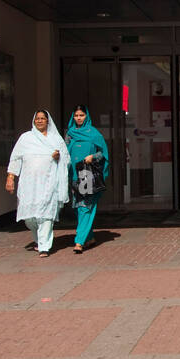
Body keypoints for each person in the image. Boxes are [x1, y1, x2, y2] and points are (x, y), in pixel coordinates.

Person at [5, 110, 70, 257]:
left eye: (43, 118)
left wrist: (58, 156)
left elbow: (67, 160)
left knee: (46, 215)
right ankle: (38, 240)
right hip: (29, 184)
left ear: (48, 121)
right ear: (34, 121)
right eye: (37, 119)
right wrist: (10, 177)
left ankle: (44, 247)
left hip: (49, 183)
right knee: (30, 218)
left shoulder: (56, 139)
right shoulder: (26, 138)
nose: (40, 121)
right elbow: (16, 158)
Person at [65, 104, 109, 254]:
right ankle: (89, 237)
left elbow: (103, 153)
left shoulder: (94, 133)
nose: (78, 118)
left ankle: (79, 241)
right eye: (76, 115)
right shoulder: (70, 133)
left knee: (85, 206)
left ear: (87, 116)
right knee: (79, 208)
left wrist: (93, 156)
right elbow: (65, 153)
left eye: (81, 115)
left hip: (87, 174)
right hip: (74, 175)